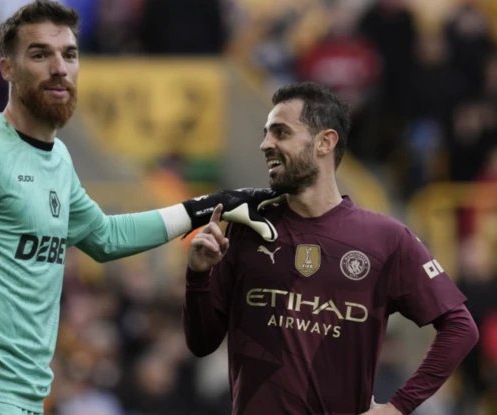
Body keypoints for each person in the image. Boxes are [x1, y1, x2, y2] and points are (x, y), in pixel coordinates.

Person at [0, 1, 281, 414]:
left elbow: (104, 236)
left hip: (25, 396)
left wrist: (209, 206)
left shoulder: (58, 159)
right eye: (40, 54)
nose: (59, 67)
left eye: (69, 53)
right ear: (7, 69)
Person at [182, 81, 479, 415]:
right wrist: (198, 275)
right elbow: (201, 343)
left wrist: (398, 407)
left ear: (325, 141)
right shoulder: (247, 228)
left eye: (281, 132)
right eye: (266, 133)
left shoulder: (386, 238)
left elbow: (460, 327)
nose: (265, 144)